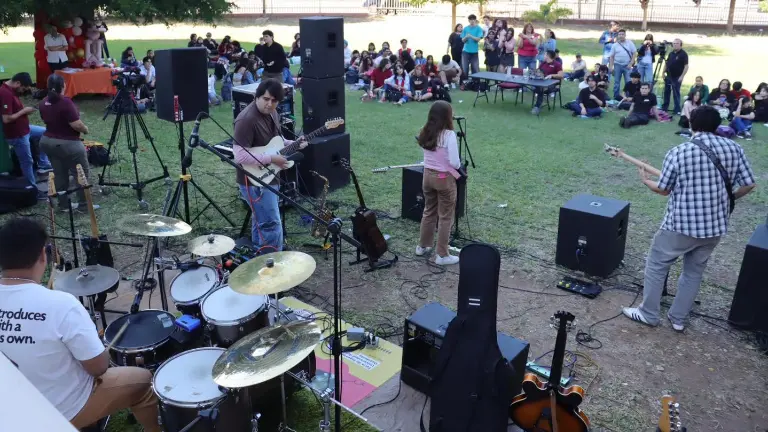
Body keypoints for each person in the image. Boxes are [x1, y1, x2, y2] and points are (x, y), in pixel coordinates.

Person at [0, 218, 161, 430]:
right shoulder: (59, 304)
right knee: (143, 380)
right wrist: (101, 351)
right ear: (42, 254)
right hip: (53, 414)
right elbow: (98, 368)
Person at [622, 105, 756, 332]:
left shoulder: (679, 151)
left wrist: (645, 180)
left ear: (692, 123)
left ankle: (648, 313)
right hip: (715, 227)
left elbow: (664, 189)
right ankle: (678, 319)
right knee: (694, 272)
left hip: (680, 225)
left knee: (656, 264)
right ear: (717, 125)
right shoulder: (735, 149)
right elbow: (750, 183)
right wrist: (730, 197)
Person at [233, 80, 307, 252]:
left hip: (269, 175)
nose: (269, 104)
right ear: (256, 96)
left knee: (262, 220)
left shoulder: (273, 113)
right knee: (271, 222)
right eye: (266, 99)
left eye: (274, 101)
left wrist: (294, 143)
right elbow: (239, 155)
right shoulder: (246, 120)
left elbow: (276, 142)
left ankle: (260, 254)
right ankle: (273, 262)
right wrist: (273, 158)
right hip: (252, 180)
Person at [37, 74, 95, 211]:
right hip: (68, 143)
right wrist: (85, 130)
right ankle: (83, 205)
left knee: (60, 172)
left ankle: (63, 204)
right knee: (81, 172)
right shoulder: (65, 102)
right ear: (63, 86)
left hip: (47, 142)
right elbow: (76, 125)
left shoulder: (43, 102)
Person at [415, 101, 462, 266]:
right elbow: (455, 163)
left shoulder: (424, 131)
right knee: (445, 216)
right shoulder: (449, 135)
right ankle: (442, 254)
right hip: (443, 179)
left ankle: (423, 246)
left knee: (429, 211)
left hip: (427, 177)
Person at [1, 73, 52, 195]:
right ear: (18, 83)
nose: (23, 91)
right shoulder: (5, 93)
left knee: (45, 133)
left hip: (25, 128)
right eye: (23, 88)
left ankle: (43, 164)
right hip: (17, 134)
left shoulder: (11, 90)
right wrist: (24, 111)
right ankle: (32, 188)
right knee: (27, 161)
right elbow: (6, 119)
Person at [531, 50, 563, 116]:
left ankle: (537, 106)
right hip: (542, 81)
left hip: (552, 84)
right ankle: (539, 104)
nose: (544, 56)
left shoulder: (557, 64)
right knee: (536, 87)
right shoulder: (543, 63)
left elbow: (561, 75)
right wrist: (535, 73)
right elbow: (538, 70)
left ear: (548, 56)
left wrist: (551, 75)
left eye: (545, 55)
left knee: (540, 89)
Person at [661, 39, 688, 114]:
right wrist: (663, 72)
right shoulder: (671, 53)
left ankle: (677, 109)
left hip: (677, 77)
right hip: (669, 76)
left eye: (677, 43)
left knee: (676, 93)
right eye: (674, 43)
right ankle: (665, 107)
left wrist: (682, 76)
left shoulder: (683, 54)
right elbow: (666, 63)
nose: (675, 45)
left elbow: (686, 66)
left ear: (680, 45)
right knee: (667, 92)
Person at [609, 29, 636, 101]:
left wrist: (630, 63)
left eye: (622, 34)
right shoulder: (615, 45)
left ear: (625, 35)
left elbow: (634, 53)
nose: (621, 36)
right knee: (616, 82)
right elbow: (611, 56)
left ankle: (628, 97)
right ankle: (616, 97)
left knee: (628, 81)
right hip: (617, 65)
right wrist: (611, 67)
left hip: (627, 65)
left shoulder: (630, 43)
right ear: (618, 35)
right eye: (619, 34)